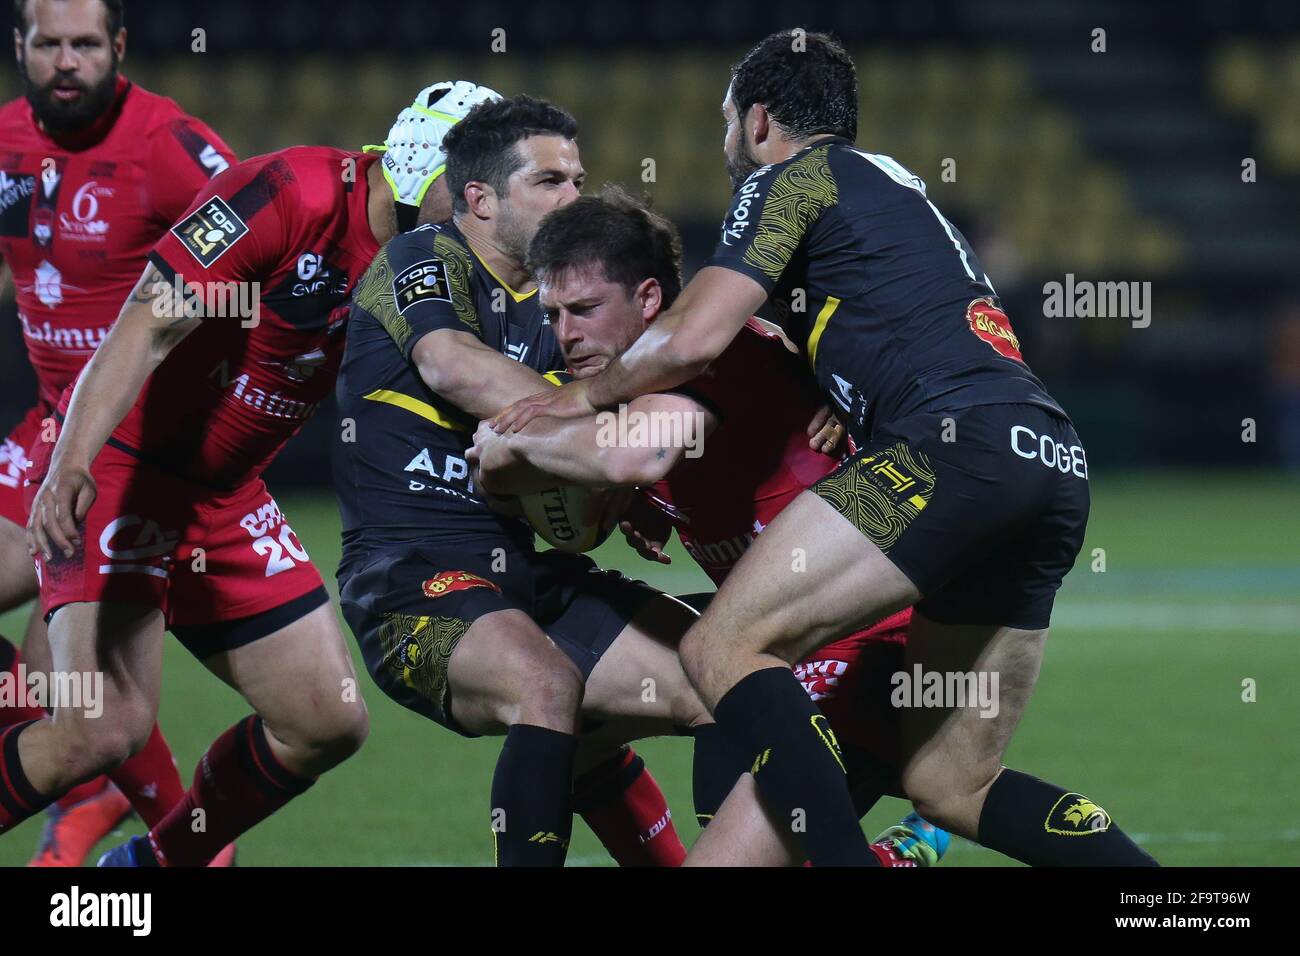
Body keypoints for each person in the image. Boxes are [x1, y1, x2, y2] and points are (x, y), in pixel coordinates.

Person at [494, 31, 1156, 866]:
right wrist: (844, 397)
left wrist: (573, 400)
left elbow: (695, 337)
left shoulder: (789, 178)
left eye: (728, 122)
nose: (726, 143)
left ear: (760, 121)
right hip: (1047, 457)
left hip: (952, 449)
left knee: (719, 648)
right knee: (955, 786)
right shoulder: (893, 188)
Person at [14, 78, 497, 866]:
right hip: (122, 464)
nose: (489, 211)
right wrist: (69, 459)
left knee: (327, 719)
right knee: (101, 728)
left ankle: (143, 873)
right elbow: (148, 319)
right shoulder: (287, 191)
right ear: (416, 165)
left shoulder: (438, 265)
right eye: (473, 187)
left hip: (225, 498)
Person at [470, 186, 947, 866]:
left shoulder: (709, 355)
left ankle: (902, 857)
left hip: (864, 646)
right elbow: (607, 492)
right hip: (764, 651)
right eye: (552, 313)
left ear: (648, 299)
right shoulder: (630, 384)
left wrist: (514, 445)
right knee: (570, 727)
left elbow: (636, 452)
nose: (565, 333)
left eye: (583, 309)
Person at [335, 95, 712, 866]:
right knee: (544, 683)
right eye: (550, 181)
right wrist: (605, 440)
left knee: (717, 672)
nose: (576, 197)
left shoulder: (560, 308)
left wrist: (624, 481)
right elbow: (452, 364)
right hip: (409, 580)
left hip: (529, 577)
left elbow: (579, 507)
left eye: (578, 179)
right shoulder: (419, 260)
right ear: (480, 199)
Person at [0, 0, 235, 865]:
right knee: (56, 702)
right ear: (19, 47)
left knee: (75, 696)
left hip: (132, 447)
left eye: (86, 44)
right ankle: (121, 801)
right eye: (49, 43)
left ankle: (185, 839)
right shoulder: (3, 142)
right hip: (45, 427)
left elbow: (260, 250)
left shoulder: (170, 149)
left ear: (119, 48)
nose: (68, 61)